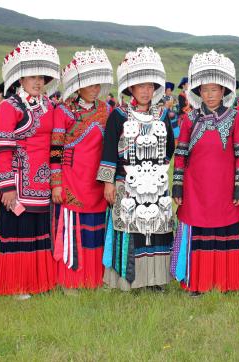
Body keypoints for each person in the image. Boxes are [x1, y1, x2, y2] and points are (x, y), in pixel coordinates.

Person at [171, 50, 239, 296]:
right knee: (199, 232)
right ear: (199, 92)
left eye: (215, 89)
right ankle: (197, 282)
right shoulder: (190, 119)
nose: (210, 94)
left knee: (223, 230)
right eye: (205, 90)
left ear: (224, 91)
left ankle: (226, 281)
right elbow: (181, 154)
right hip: (195, 189)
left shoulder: (235, 118)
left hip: (225, 187)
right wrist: (177, 186)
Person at [97, 46, 175, 291]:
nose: (145, 91)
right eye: (140, 86)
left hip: (155, 184)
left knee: (156, 230)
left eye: (150, 86)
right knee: (132, 231)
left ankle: (155, 280)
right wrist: (109, 182)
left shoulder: (162, 115)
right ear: (131, 87)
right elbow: (109, 150)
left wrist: (156, 171)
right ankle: (130, 281)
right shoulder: (119, 115)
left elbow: (170, 147)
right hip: (126, 183)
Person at [0, 39, 61, 298]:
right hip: (18, 185)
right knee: (19, 233)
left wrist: (55, 180)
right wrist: (7, 187)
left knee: (39, 232)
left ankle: (40, 282)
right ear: (21, 78)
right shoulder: (11, 107)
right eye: (32, 76)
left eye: (41, 77)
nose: (38, 81)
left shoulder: (50, 106)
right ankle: (18, 284)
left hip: (42, 184)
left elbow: (56, 145)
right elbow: (2, 148)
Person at [50, 47, 114, 290]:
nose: (95, 88)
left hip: (97, 181)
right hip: (71, 179)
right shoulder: (63, 111)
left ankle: (95, 277)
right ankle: (70, 280)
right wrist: (56, 183)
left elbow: (110, 146)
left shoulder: (106, 110)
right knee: (72, 228)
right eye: (90, 83)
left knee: (96, 229)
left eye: (98, 83)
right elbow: (55, 150)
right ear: (78, 85)